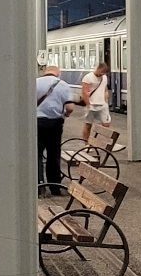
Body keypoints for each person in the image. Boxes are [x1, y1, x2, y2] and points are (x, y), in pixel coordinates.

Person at [37, 62, 77, 194]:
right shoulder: (63, 85)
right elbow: (70, 107)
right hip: (55, 124)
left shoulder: (35, 83)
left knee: (36, 154)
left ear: (45, 72)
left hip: (37, 123)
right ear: (58, 73)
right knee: (53, 154)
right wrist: (65, 115)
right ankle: (55, 187)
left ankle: (39, 187)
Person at [80, 61, 111, 140]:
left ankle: (103, 142)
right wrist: (88, 104)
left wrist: (106, 101)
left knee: (106, 124)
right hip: (92, 104)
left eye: (103, 73)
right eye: (101, 72)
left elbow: (105, 89)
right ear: (98, 68)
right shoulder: (88, 78)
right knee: (88, 125)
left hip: (102, 104)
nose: (101, 74)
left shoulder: (104, 77)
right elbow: (85, 92)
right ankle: (86, 142)